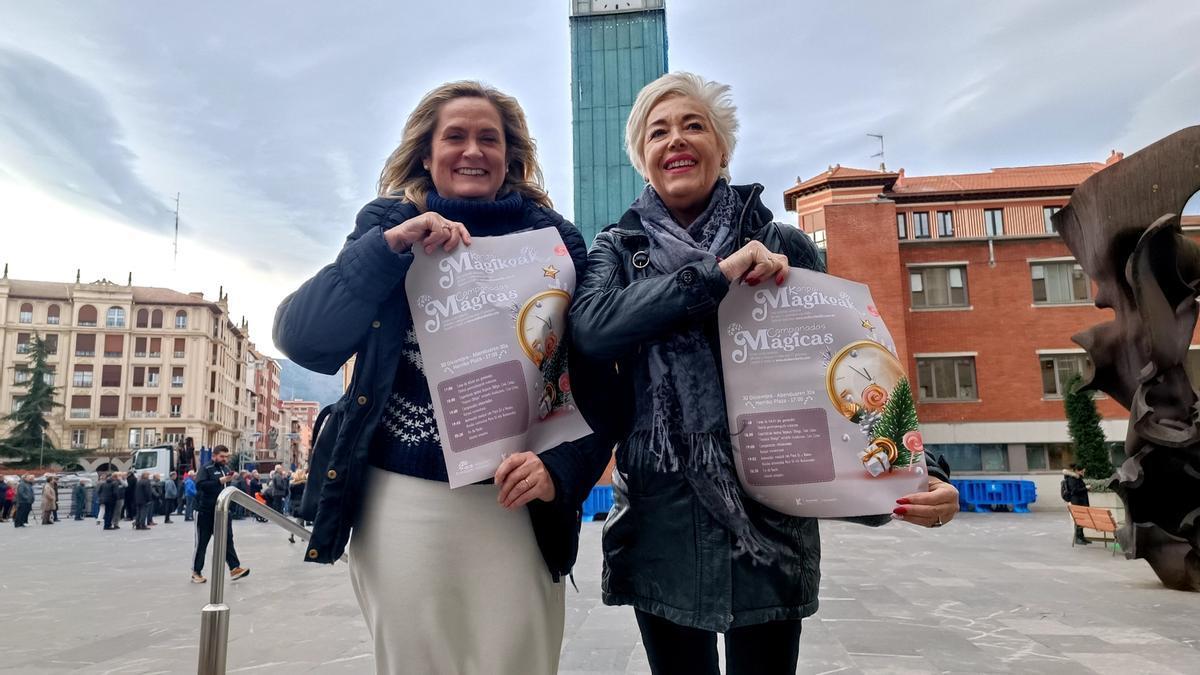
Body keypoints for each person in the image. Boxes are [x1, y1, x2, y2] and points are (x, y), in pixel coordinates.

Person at [569, 72, 961, 675]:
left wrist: (919, 470)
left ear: (722, 149)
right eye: (659, 132)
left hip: (773, 516)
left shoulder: (786, 245)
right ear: (642, 160)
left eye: (694, 125)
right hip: (662, 517)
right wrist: (715, 277)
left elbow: (853, 365)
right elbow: (592, 329)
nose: (676, 139)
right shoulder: (618, 249)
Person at [273, 80, 611, 675]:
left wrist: (562, 470)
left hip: (515, 502)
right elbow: (303, 340)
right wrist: (388, 249)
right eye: (454, 136)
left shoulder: (557, 242)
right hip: (401, 496)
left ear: (511, 156)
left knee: (519, 661)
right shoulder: (387, 226)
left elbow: (599, 381)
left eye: (490, 138)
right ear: (426, 154)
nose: (472, 150)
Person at [192, 445, 250, 584]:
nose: (225, 459)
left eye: (226, 456)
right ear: (214, 456)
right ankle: (196, 571)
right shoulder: (206, 468)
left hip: (222, 511)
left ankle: (234, 568)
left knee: (228, 539)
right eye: (222, 456)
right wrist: (219, 481)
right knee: (202, 542)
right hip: (205, 511)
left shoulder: (226, 469)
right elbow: (199, 485)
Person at [1063, 463, 1091, 545]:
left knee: (1081, 520)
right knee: (1079, 520)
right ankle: (1078, 538)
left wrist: (1085, 489)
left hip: (1081, 502)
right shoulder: (1072, 479)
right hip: (1077, 502)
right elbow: (1074, 491)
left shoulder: (1077, 478)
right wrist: (1086, 488)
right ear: (1077, 471)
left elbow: (1078, 489)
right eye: (1082, 471)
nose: (1083, 472)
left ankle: (1081, 537)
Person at [287, 469, 307, 544]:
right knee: (299, 520)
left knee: (301, 519)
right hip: (302, 502)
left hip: (294, 503)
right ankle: (292, 534)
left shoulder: (292, 484)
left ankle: (303, 536)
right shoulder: (304, 484)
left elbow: (291, 496)